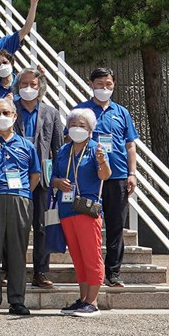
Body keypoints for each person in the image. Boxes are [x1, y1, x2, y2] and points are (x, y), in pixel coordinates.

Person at [74, 67, 138, 287]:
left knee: (115, 225)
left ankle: (113, 272)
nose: (104, 88)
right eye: (100, 84)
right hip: (89, 177)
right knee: (87, 225)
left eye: (108, 84)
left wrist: (132, 173)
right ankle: (90, 271)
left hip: (118, 176)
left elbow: (130, 145)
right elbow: (70, 142)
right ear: (91, 84)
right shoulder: (81, 111)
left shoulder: (122, 112)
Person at [0, 98, 40, 315]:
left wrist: (23, 193)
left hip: (19, 198)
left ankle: (17, 300)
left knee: (17, 251)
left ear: (14, 116)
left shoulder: (26, 145)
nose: (1, 117)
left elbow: (35, 174)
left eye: (5, 113)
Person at [52, 108, 110, 317]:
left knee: (91, 255)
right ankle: (83, 297)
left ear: (91, 130)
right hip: (67, 209)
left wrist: (102, 161)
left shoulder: (95, 149)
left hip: (87, 209)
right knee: (77, 255)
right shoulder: (63, 150)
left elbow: (105, 175)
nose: (77, 129)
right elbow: (53, 177)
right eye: (74, 125)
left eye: (82, 126)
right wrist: (58, 182)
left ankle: (93, 301)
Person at [13, 67, 61, 288]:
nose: (28, 88)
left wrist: (58, 179)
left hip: (43, 178)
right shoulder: (9, 110)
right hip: (15, 177)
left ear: (40, 87)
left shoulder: (51, 112)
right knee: (14, 227)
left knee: (42, 227)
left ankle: (41, 271)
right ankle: (11, 269)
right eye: (24, 84)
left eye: (33, 84)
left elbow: (58, 148)